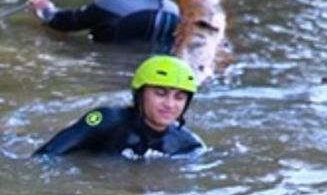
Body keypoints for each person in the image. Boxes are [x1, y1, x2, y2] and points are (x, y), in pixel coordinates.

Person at [34, 54, 203, 158]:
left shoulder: (188, 145)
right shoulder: (104, 119)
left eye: (179, 97)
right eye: (160, 93)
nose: (170, 104)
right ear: (140, 94)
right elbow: (46, 155)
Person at [26, 0, 179, 54]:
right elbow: (116, 7)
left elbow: (65, 22)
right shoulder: (173, 9)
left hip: (109, 66)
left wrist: (44, 8)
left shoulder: (112, 5)